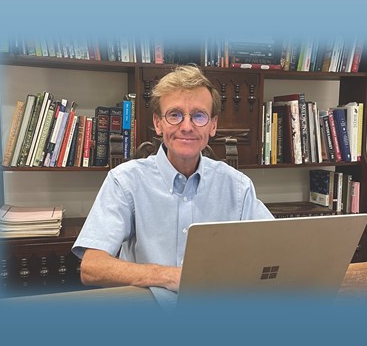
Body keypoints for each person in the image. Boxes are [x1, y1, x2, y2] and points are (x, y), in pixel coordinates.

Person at [72, 65, 273, 293]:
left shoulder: (238, 187)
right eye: (175, 115)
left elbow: (275, 252)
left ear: (213, 125)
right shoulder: (125, 181)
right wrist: (170, 277)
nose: (186, 127)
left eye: (199, 116)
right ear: (158, 123)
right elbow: (91, 267)